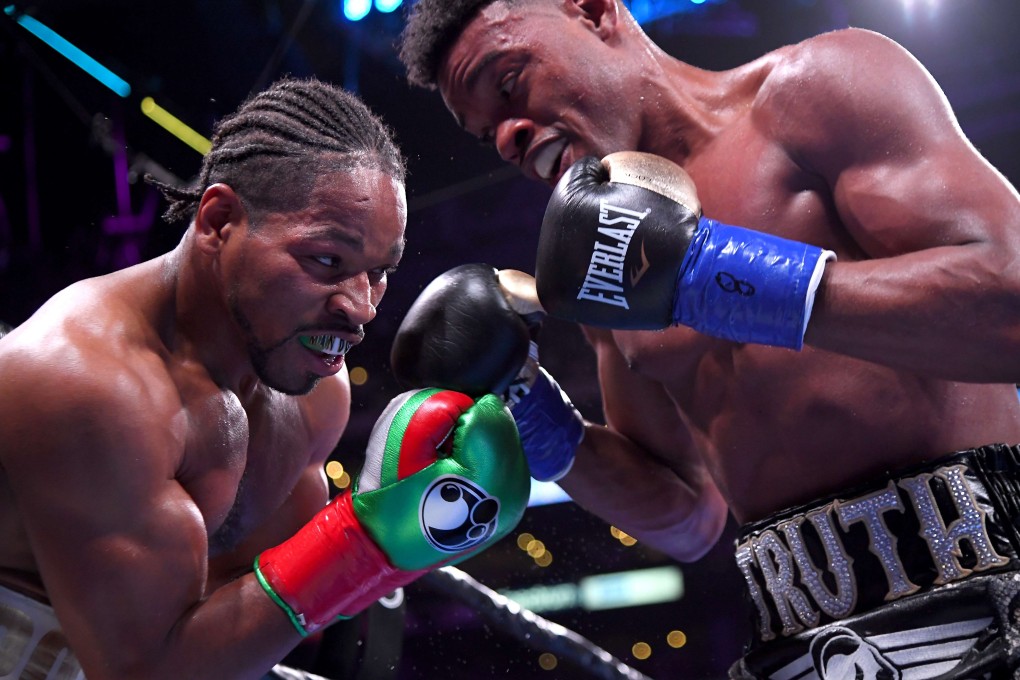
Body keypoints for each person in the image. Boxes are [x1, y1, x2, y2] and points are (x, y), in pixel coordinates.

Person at [395, 1, 1020, 677]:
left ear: (594, 12)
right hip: (802, 641)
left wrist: (712, 275)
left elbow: (1009, 306)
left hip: (990, 581)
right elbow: (687, 517)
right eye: (485, 133)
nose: (507, 137)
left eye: (510, 82)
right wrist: (526, 402)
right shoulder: (601, 264)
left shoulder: (816, 90)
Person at [0, 76, 531, 679]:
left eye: (379, 272)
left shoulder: (314, 394)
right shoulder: (88, 385)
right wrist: (367, 541)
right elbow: (145, 672)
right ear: (219, 220)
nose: (361, 308)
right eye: (327, 260)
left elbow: (246, 614)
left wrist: (407, 537)